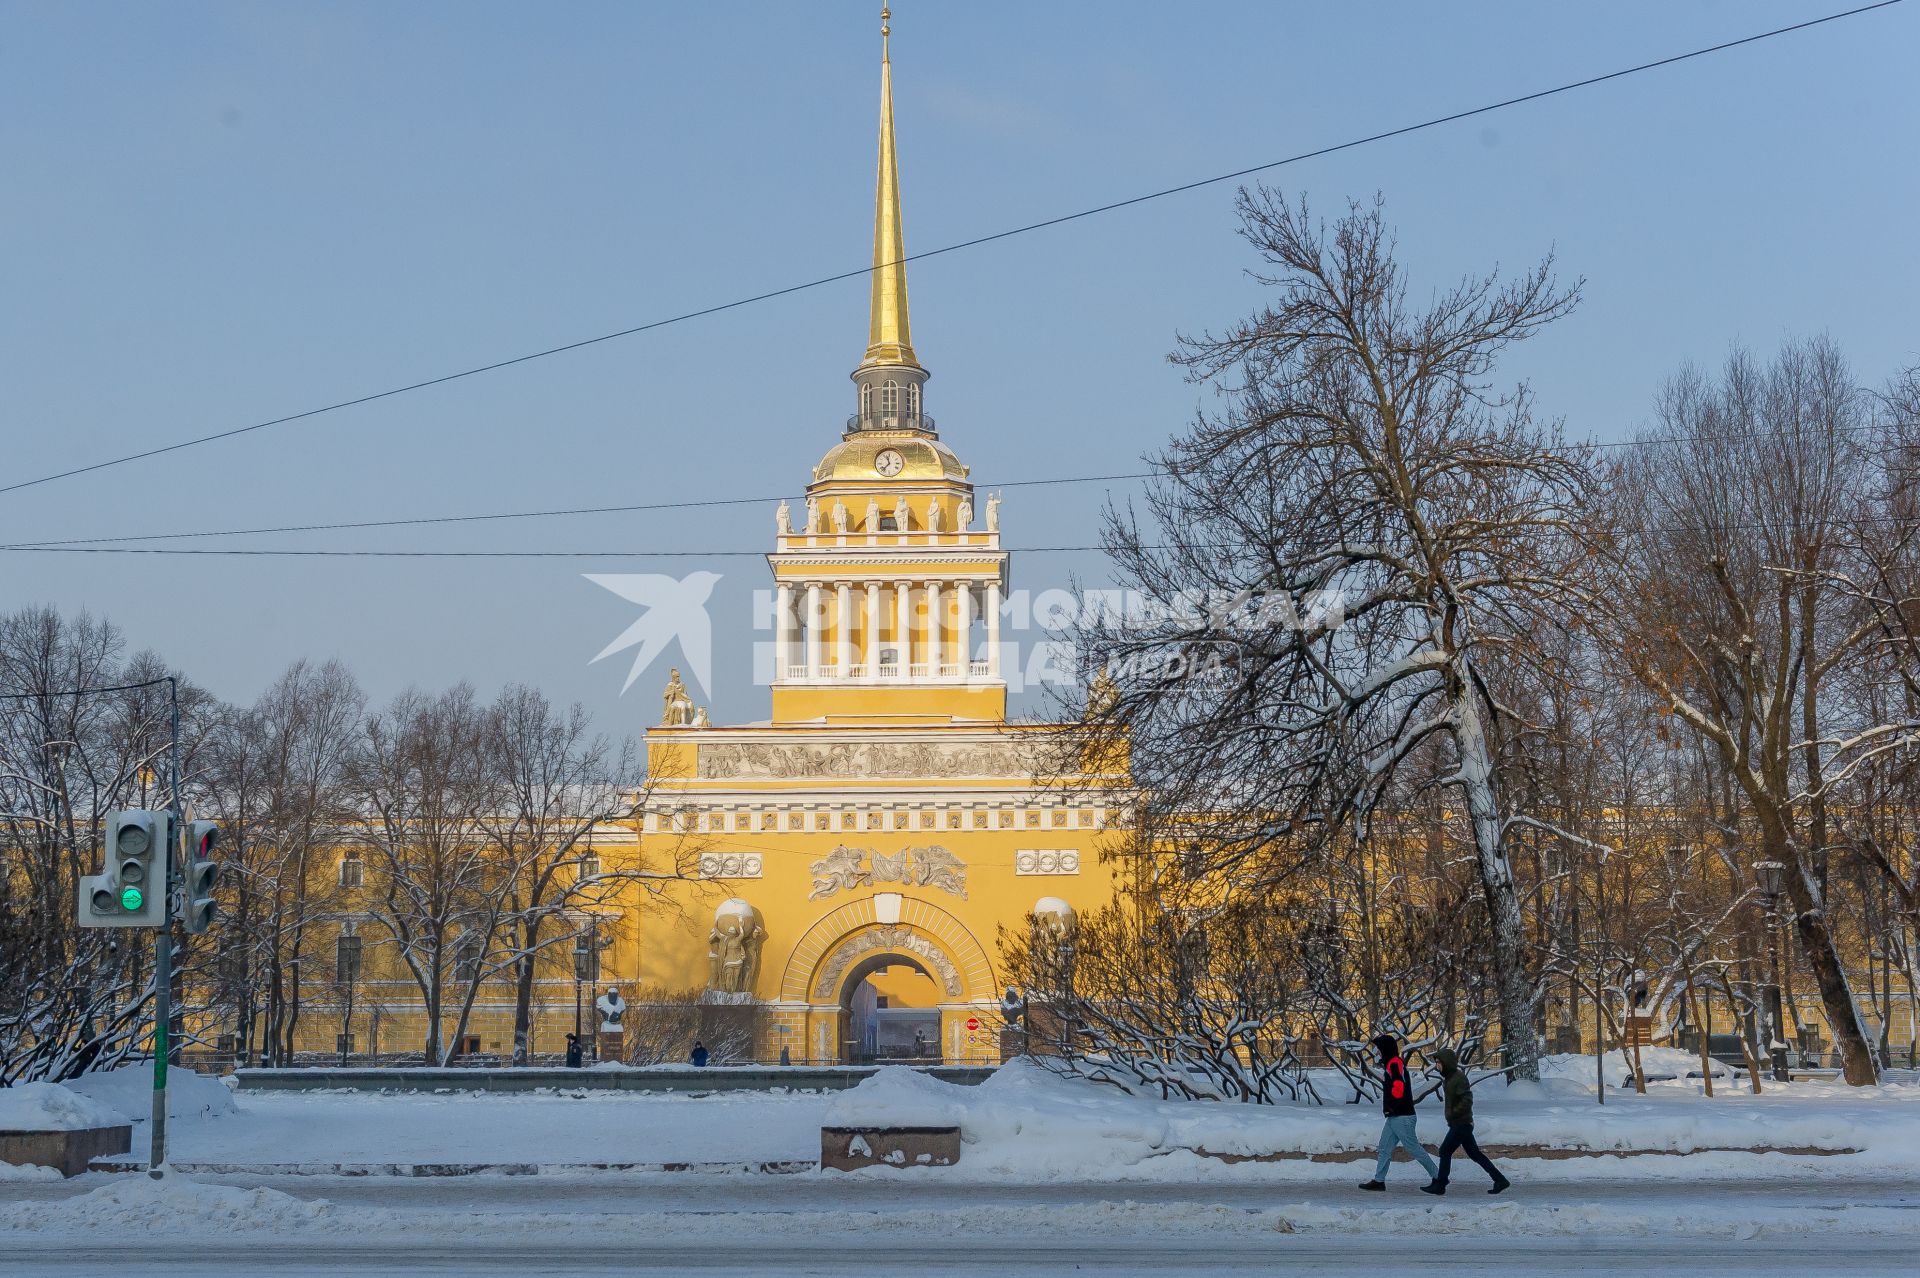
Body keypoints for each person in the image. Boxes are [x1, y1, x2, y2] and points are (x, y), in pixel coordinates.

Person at [1421, 1048, 1511, 1196]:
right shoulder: (1450, 1078)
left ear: (1447, 1063)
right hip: (1461, 1123)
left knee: (1445, 1150)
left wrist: (1454, 1113)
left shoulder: (1458, 1078)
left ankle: (1441, 1184)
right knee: (1475, 1154)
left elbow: (1467, 1099)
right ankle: (1500, 1179)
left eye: (1439, 1062)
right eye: (1436, 1062)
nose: (1437, 1065)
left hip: (1461, 1123)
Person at [1358, 1033, 1439, 1191]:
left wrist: (1392, 1105)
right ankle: (1379, 1181)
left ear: (1386, 1049)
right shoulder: (1392, 1063)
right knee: (1384, 1148)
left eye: (1379, 1049)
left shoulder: (1394, 1063)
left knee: (1414, 1148)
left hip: (1402, 1116)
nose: (1377, 1052)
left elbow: (1398, 1088)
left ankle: (1439, 1177)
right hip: (1395, 1116)